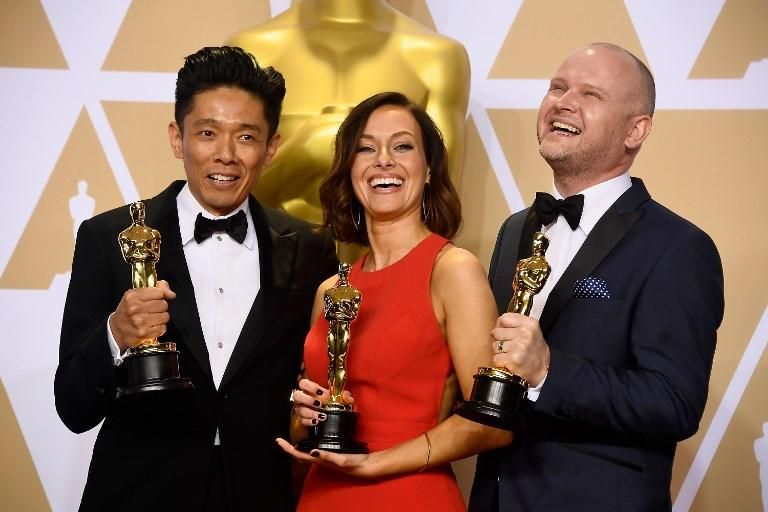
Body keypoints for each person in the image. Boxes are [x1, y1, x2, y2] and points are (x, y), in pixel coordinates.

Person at [54, 46, 338, 512]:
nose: (225, 155)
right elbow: (72, 405)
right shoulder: (108, 237)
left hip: (259, 494)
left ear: (271, 148)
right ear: (177, 138)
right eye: (207, 133)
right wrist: (115, 335)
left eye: (246, 137)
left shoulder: (309, 247)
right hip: (139, 495)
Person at [468, 43, 725, 511]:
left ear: (636, 129)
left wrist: (548, 371)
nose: (562, 102)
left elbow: (674, 403)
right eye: (557, 87)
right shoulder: (516, 229)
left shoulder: (677, 248)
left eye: (590, 94)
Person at [276, 92, 511, 511]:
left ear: (428, 170)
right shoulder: (330, 291)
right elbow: (305, 426)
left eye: (402, 146)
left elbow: (492, 423)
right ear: (350, 170)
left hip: (411, 495)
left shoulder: (453, 270)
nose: (384, 160)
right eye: (366, 148)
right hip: (322, 495)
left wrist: (373, 464)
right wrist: (305, 415)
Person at [226, 0, 470, 225]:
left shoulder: (437, 57)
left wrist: (328, 145)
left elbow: (439, 209)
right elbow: (226, 199)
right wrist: (307, 151)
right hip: (275, 264)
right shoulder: (251, 52)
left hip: (390, 267)